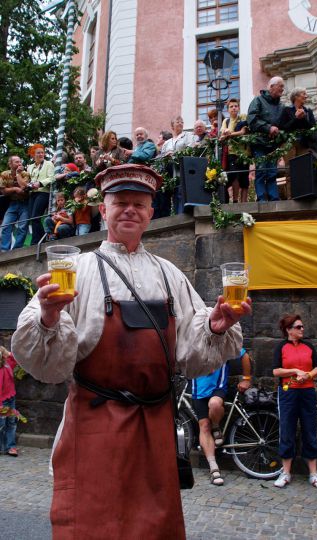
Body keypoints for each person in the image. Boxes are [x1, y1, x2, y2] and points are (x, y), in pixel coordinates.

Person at [12, 163, 251, 539]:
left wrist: (215, 328)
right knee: (91, 525)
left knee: (154, 526)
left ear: (150, 213)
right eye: (120, 201)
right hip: (94, 423)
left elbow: (191, 353)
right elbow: (46, 365)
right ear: (102, 210)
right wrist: (47, 317)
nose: (130, 209)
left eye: (139, 203)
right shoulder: (77, 269)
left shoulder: (170, 275)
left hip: (155, 424)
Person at [272, 314, 317, 491]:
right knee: (287, 429)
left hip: (307, 392)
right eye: (298, 327)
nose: (302, 329)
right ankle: (286, 472)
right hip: (288, 393)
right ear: (288, 330)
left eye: (302, 326)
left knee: (310, 429)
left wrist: (308, 375)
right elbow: (276, 371)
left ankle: (313, 474)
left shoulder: (308, 346)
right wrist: (295, 370)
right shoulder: (281, 347)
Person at [192, 348, 251, 486]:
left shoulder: (224, 341)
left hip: (218, 388)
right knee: (203, 426)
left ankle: (216, 426)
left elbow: (244, 355)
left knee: (214, 404)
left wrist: (247, 379)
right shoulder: (194, 341)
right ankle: (213, 468)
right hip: (197, 389)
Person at [247, 76, 285, 202]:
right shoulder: (257, 100)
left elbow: (284, 125)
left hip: (273, 144)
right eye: (280, 86)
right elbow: (251, 120)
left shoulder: (281, 106)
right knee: (261, 171)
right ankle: (262, 199)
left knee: (272, 173)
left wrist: (279, 132)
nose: (282, 89)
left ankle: (274, 198)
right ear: (271, 86)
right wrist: (268, 128)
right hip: (259, 143)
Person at [279, 87, 317, 195]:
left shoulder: (308, 111)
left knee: (304, 170)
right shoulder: (286, 110)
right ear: (296, 97)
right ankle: (291, 196)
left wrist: (304, 118)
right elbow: (283, 128)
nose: (306, 96)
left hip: (304, 145)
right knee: (290, 170)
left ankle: (303, 194)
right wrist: (296, 118)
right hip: (289, 145)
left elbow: (312, 129)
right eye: (303, 94)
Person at [220, 98, 250, 203]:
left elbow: (244, 131)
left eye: (236, 106)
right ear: (228, 110)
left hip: (245, 153)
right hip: (232, 152)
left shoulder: (243, 117)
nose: (234, 108)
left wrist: (230, 134)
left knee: (245, 178)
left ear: (238, 107)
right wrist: (236, 133)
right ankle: (236, 201)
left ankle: (244, 202)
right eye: (231, 107)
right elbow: (223, 135)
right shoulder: (226, 121)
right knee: (234, 176)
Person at [0, 156, 30, 251]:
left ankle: (17, 249)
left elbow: (24, 190)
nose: (19, 164)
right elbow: (3, 191)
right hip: (12, 203)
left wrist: (18, 174)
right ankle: (4, 249)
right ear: (10, 164)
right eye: (16, 162)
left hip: (25, 203)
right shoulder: (4, 174)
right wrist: (14, 189)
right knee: (5, 226)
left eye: (20, 161)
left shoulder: (25, 174)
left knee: (22, 227)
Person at [27, 144, 55, 244]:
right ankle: (39, 239)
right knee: (32, 218)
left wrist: (40, 183)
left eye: (42, 152)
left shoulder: (49, 164)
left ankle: (37, 241)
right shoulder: (30, 167)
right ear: (33, 155)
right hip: (32, 193)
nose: (41, 154)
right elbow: (28, 180)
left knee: (35, 217)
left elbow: (52, 178)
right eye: (38, 153)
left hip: (43, 192)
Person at [0, 346, 18, 457]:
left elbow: (15, 359)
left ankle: (11, 447)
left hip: (11, 398)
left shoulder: (7, 364)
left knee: (11, 423)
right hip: (2, 401)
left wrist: (8, 353)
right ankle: (2, 447)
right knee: (1, 424)